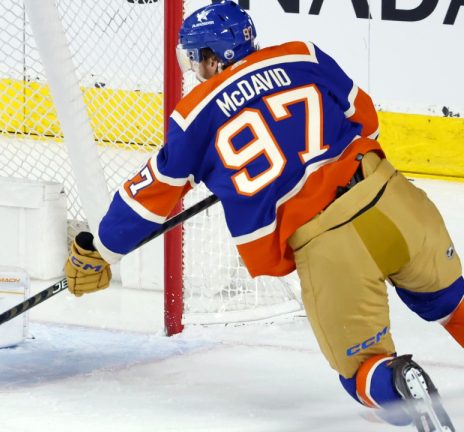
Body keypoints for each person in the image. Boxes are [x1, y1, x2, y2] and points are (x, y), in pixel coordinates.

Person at [64, 2, 462, 430]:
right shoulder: (302, 54)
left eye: (197, 58)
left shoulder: (194, 114)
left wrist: (101, 249)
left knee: (363, 371)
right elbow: (365, 120)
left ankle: (400, 383)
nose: (196, 69)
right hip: (394, 200)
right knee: (452, 303)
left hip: (328, 243)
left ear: (215, 57)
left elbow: (149, 197)